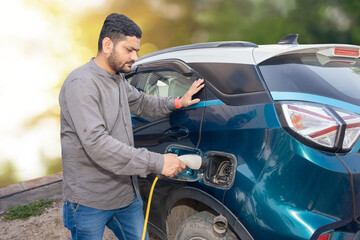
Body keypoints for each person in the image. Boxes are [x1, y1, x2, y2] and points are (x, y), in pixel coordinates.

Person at [59, 13, 204, 240]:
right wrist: (157, 162)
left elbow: (142, 102)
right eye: (129, 50)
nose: (135, 57)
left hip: (126, 197)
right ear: (107, 45)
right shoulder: (81, 83)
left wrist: (178, 102)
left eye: (136, 50)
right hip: (90, 202)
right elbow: (97, 144)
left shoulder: (117, 80)